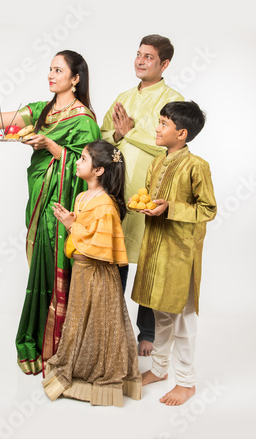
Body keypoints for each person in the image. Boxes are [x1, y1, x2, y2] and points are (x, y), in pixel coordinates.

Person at [0, 50, 101, 376]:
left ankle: (67, 349)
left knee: (64, 271)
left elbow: (95, 169)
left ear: (76, 78)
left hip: (64, 209)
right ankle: (42, 342)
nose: (51, 75)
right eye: (50, 69)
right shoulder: (42, 111)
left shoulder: (84, 120)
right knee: (40, 269)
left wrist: (53, 147)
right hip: (41, 203)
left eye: (58, 70)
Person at [101, 34, 184, 356]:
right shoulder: (123, 96)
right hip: (118, 189)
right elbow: (104, 133)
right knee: (116, 257)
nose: (140, 61)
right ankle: (112, 326)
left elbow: (168, 141)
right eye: (138, 54)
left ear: (164, 64)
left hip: (150, 193)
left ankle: (146, 333)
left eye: (148, 57)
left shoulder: (173, 99)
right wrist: (118, 133)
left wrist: (130, 133)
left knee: (148, 262)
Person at [41, 140, 142, 406]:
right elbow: (84, 231)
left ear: (98, 170)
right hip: (82, 272)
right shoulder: (82, 197)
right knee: (79, 321)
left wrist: (72, 225)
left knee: (100, 325)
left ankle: (98, 376)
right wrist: (71, 221)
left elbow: (99, 247)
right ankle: (76, 366)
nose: (77, 162)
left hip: (98, 275)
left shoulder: (106, 205)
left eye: (83, 159)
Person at [131, 101, 217, 406]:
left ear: (182, 133)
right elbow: (151, 200)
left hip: (181, 255)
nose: (157, 127)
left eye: (164, 123)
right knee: (160, 314)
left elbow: (208, 209)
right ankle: (159, 369)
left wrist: (171, 208)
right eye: (159, 121)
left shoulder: (197, 166)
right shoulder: (156, 163)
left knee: (182, 321)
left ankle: (187, 382)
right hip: (155, 250)